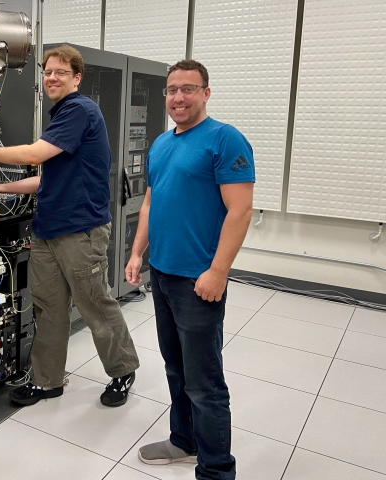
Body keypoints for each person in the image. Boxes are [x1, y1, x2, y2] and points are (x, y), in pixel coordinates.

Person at [0, 44, 140, 407]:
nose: (52, 77)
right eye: (47, 71)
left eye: (60, 72)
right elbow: (46, 178)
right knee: (48, 308)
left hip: (80, 232)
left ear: (76, 78)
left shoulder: (79, 110)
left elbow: (35, 155)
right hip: (47, 230)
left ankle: (122, 369)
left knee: (94, 304)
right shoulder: (59, 116)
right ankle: (47, 380)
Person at [125, 60, 254, 479]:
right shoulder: (161, 144)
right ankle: (184, 440)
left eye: (188, 89)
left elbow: (240, 210)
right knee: (175, 367)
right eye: (172, 90)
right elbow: (151, 202)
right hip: (161, 274)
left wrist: (218, 271)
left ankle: (216, 470)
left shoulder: (224, 139)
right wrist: (137, 253)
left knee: (204, 382)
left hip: (198, 280)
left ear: (205, 93)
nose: (178, 97)